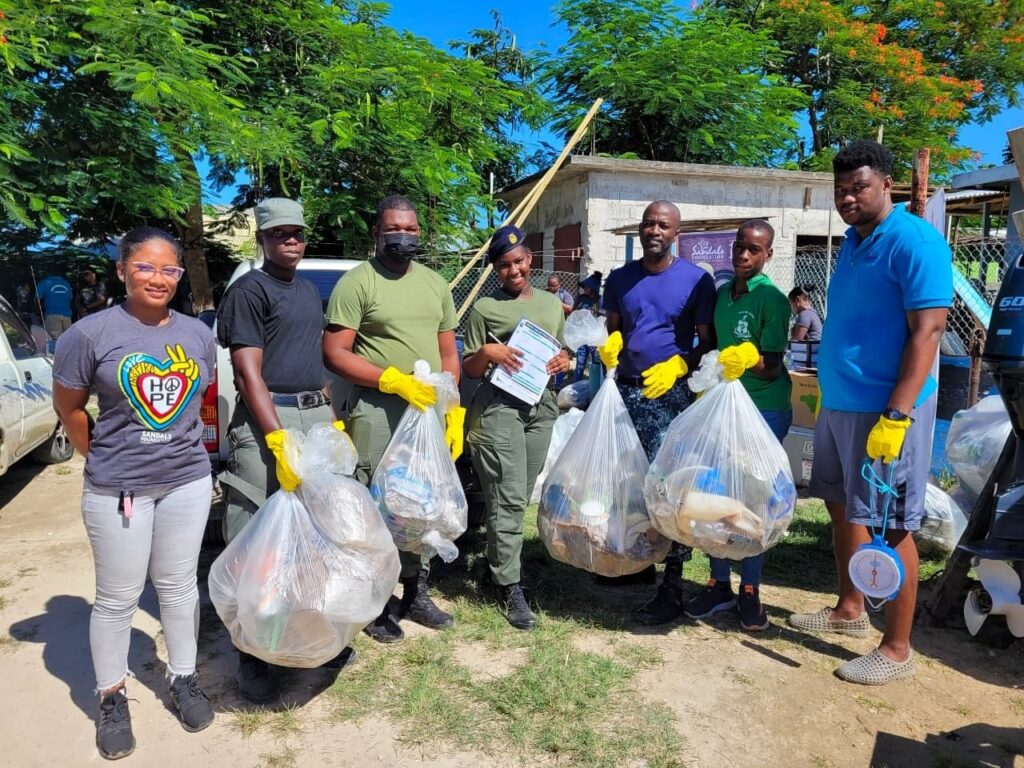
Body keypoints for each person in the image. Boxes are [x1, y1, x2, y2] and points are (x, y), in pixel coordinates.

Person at [789, 140, 951, 685]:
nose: (848, 198)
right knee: (840, 507)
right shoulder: (856, 242)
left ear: (886, 185)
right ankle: (850, 609)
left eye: (858, 187)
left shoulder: (914, 240)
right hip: (840, 404)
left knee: (892, 524)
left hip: (887, 411)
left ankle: (899, 648)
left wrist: (898, 415)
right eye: (840, 190)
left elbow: (928, 331)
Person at [51, 228, 216, 760]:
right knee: (118, 599)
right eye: (145, 267)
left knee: (178, 588)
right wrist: (98, 456)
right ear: (122, 270)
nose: (159, 278)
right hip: (118, 488)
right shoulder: (89, 333)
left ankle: (184, 679)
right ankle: (112, 697)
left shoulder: (197, 335)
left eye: (170, 269)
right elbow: (71, 408)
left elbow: (196, 405)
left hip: (187, 481)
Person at [216, 197, 353, 705]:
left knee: (314, 531)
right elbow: (248, 373)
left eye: (296, 233)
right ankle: (251, 655)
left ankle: (306, 633)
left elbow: (311, 359)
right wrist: (276, 439)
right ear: (262, 239)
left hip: (312, 412)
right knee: (255, 531)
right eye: (279, 234)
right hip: (267, 416)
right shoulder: (250, 291)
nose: (290, 241)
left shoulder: (305, 293)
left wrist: (331, 419)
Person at [324, 194, 463, 644]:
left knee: (422, 504)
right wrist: (391, 380)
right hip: (378, 410)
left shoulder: (435, 284)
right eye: (394, 229)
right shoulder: (358, 283)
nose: (403, 236)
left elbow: (447, 352)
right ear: (377, 233)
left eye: (411, 229)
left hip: (426, 412)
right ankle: (378, 601)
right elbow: (334, 352)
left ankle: (416, 592)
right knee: (378, 505)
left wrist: (452, 406)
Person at [597, 200, 717, 624]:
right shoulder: (620, 279)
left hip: (669, 395)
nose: (654, 230)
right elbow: (612, 327)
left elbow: (708, 343)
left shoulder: (696, 281)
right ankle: (640, 561)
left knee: (669, 486)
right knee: (629, 481)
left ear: (675, 233)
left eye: (663, 225)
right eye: (648, 223)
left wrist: (681, 363)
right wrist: (608, 343)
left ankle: (673, 584)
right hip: (626, 392)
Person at [682, 219, 792, 631]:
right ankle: (717, 583)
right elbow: (711, 345)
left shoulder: (773, 300)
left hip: (763, 411)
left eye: (755, 250)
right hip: (724, 408)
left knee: (753, 500)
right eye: (740, 248)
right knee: (716, 492)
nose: (744, 256)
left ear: (768, 255)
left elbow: (771, 367)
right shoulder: (724, 295)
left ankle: (750, 589)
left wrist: (748, 359)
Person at [463, 226, 570, 629]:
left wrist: (566, 360)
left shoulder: (550, 303)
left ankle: (496, 568)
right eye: (505, 265)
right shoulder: (484, 309)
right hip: (499, 407)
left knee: (518, 493)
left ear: (531, 259)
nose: (514, 270)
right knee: (507, 497)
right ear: (495, 269)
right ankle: (511, 585)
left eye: (520, 261)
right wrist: (486, 353)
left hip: (540, 408)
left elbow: (560, 351)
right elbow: (469, 368)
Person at [35, 272, 73, 341]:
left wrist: (41, 315)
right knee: (68, 341)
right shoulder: (66, 283)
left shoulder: (44, 282)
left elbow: (37, 300)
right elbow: (70, 299)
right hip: (67, 316)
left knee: (55, 341)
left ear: (48, 273)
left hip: (52, 316)